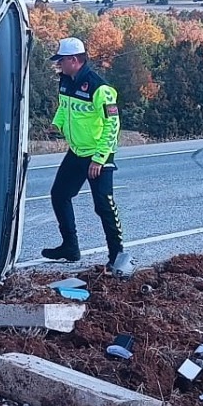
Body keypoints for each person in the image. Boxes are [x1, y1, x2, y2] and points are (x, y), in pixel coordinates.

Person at [42, 37, 132, 277]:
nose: (59, 64)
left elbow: (113, 125)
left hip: (98, 153)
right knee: (59, 195)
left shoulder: (99, 88)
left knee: (104, 204)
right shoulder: (65, 81)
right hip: (77, 152)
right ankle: (70, 247)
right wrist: (56, 125)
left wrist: (99, 158)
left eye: (61, 60)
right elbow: (64, 108)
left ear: (74, 60)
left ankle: (117, 257)